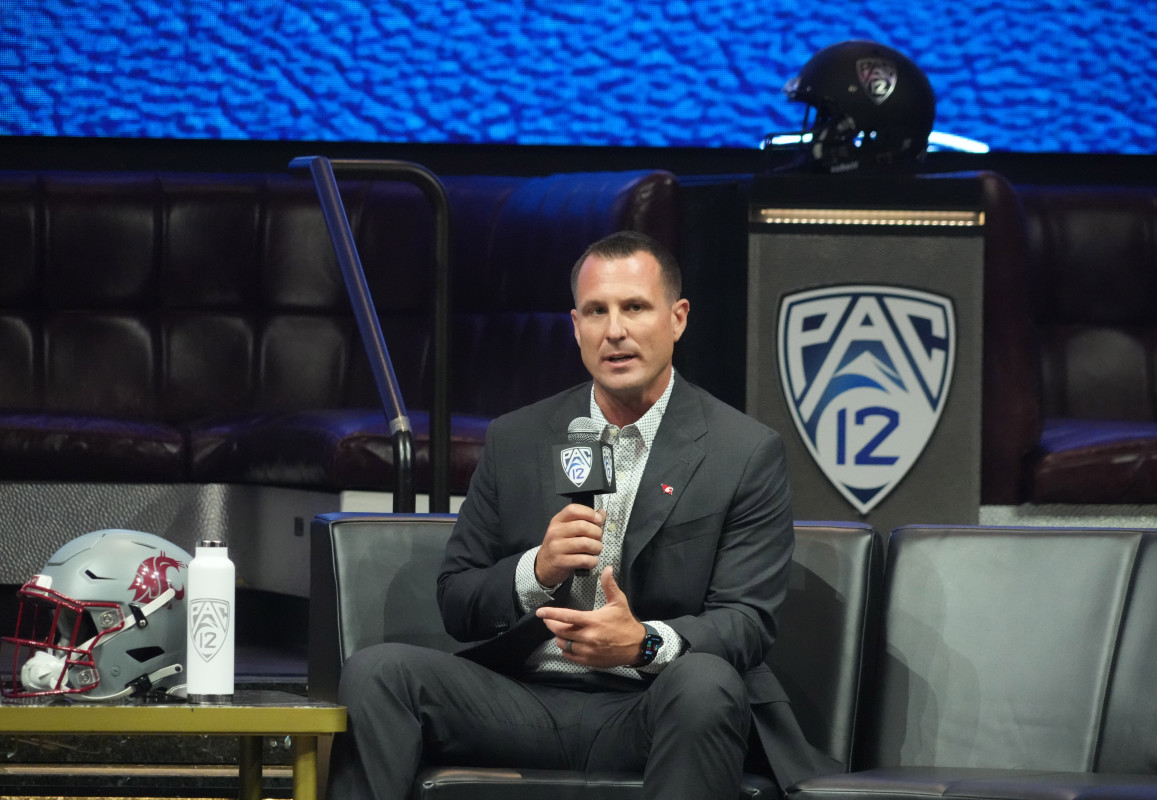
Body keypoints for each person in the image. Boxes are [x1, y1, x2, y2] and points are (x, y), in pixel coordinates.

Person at [328, 230, 833, 800]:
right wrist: (535, 572)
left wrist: (641, 642)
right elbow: (457, 599)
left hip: (653, 701)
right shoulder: (517, 437)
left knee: (707, 682)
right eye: (596, 311)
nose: (614, 330)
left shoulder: (743, 451)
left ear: (678, 318)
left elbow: (746, 622)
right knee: (378, 674)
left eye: (635, 308)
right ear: (576, 326)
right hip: (520, 699)